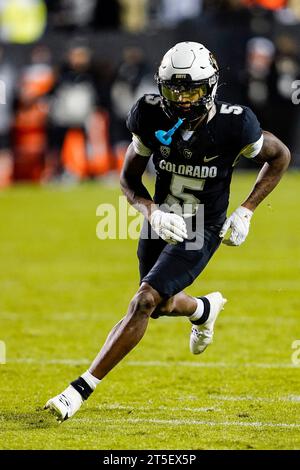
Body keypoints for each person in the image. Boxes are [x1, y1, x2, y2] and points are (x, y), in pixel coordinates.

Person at [44, 41, 290, 421]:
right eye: (174, 89)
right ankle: (202, 309)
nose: (183, 99)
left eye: (191, 89)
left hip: (202, 225)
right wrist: (152, 211)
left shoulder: (234, 122)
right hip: (164, 218)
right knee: (157, 306)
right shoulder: (149, 114)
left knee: (143, 300)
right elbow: (127, 178)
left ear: (210, 87)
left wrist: (246, 210)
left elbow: (280, 156)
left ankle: (80, 389)